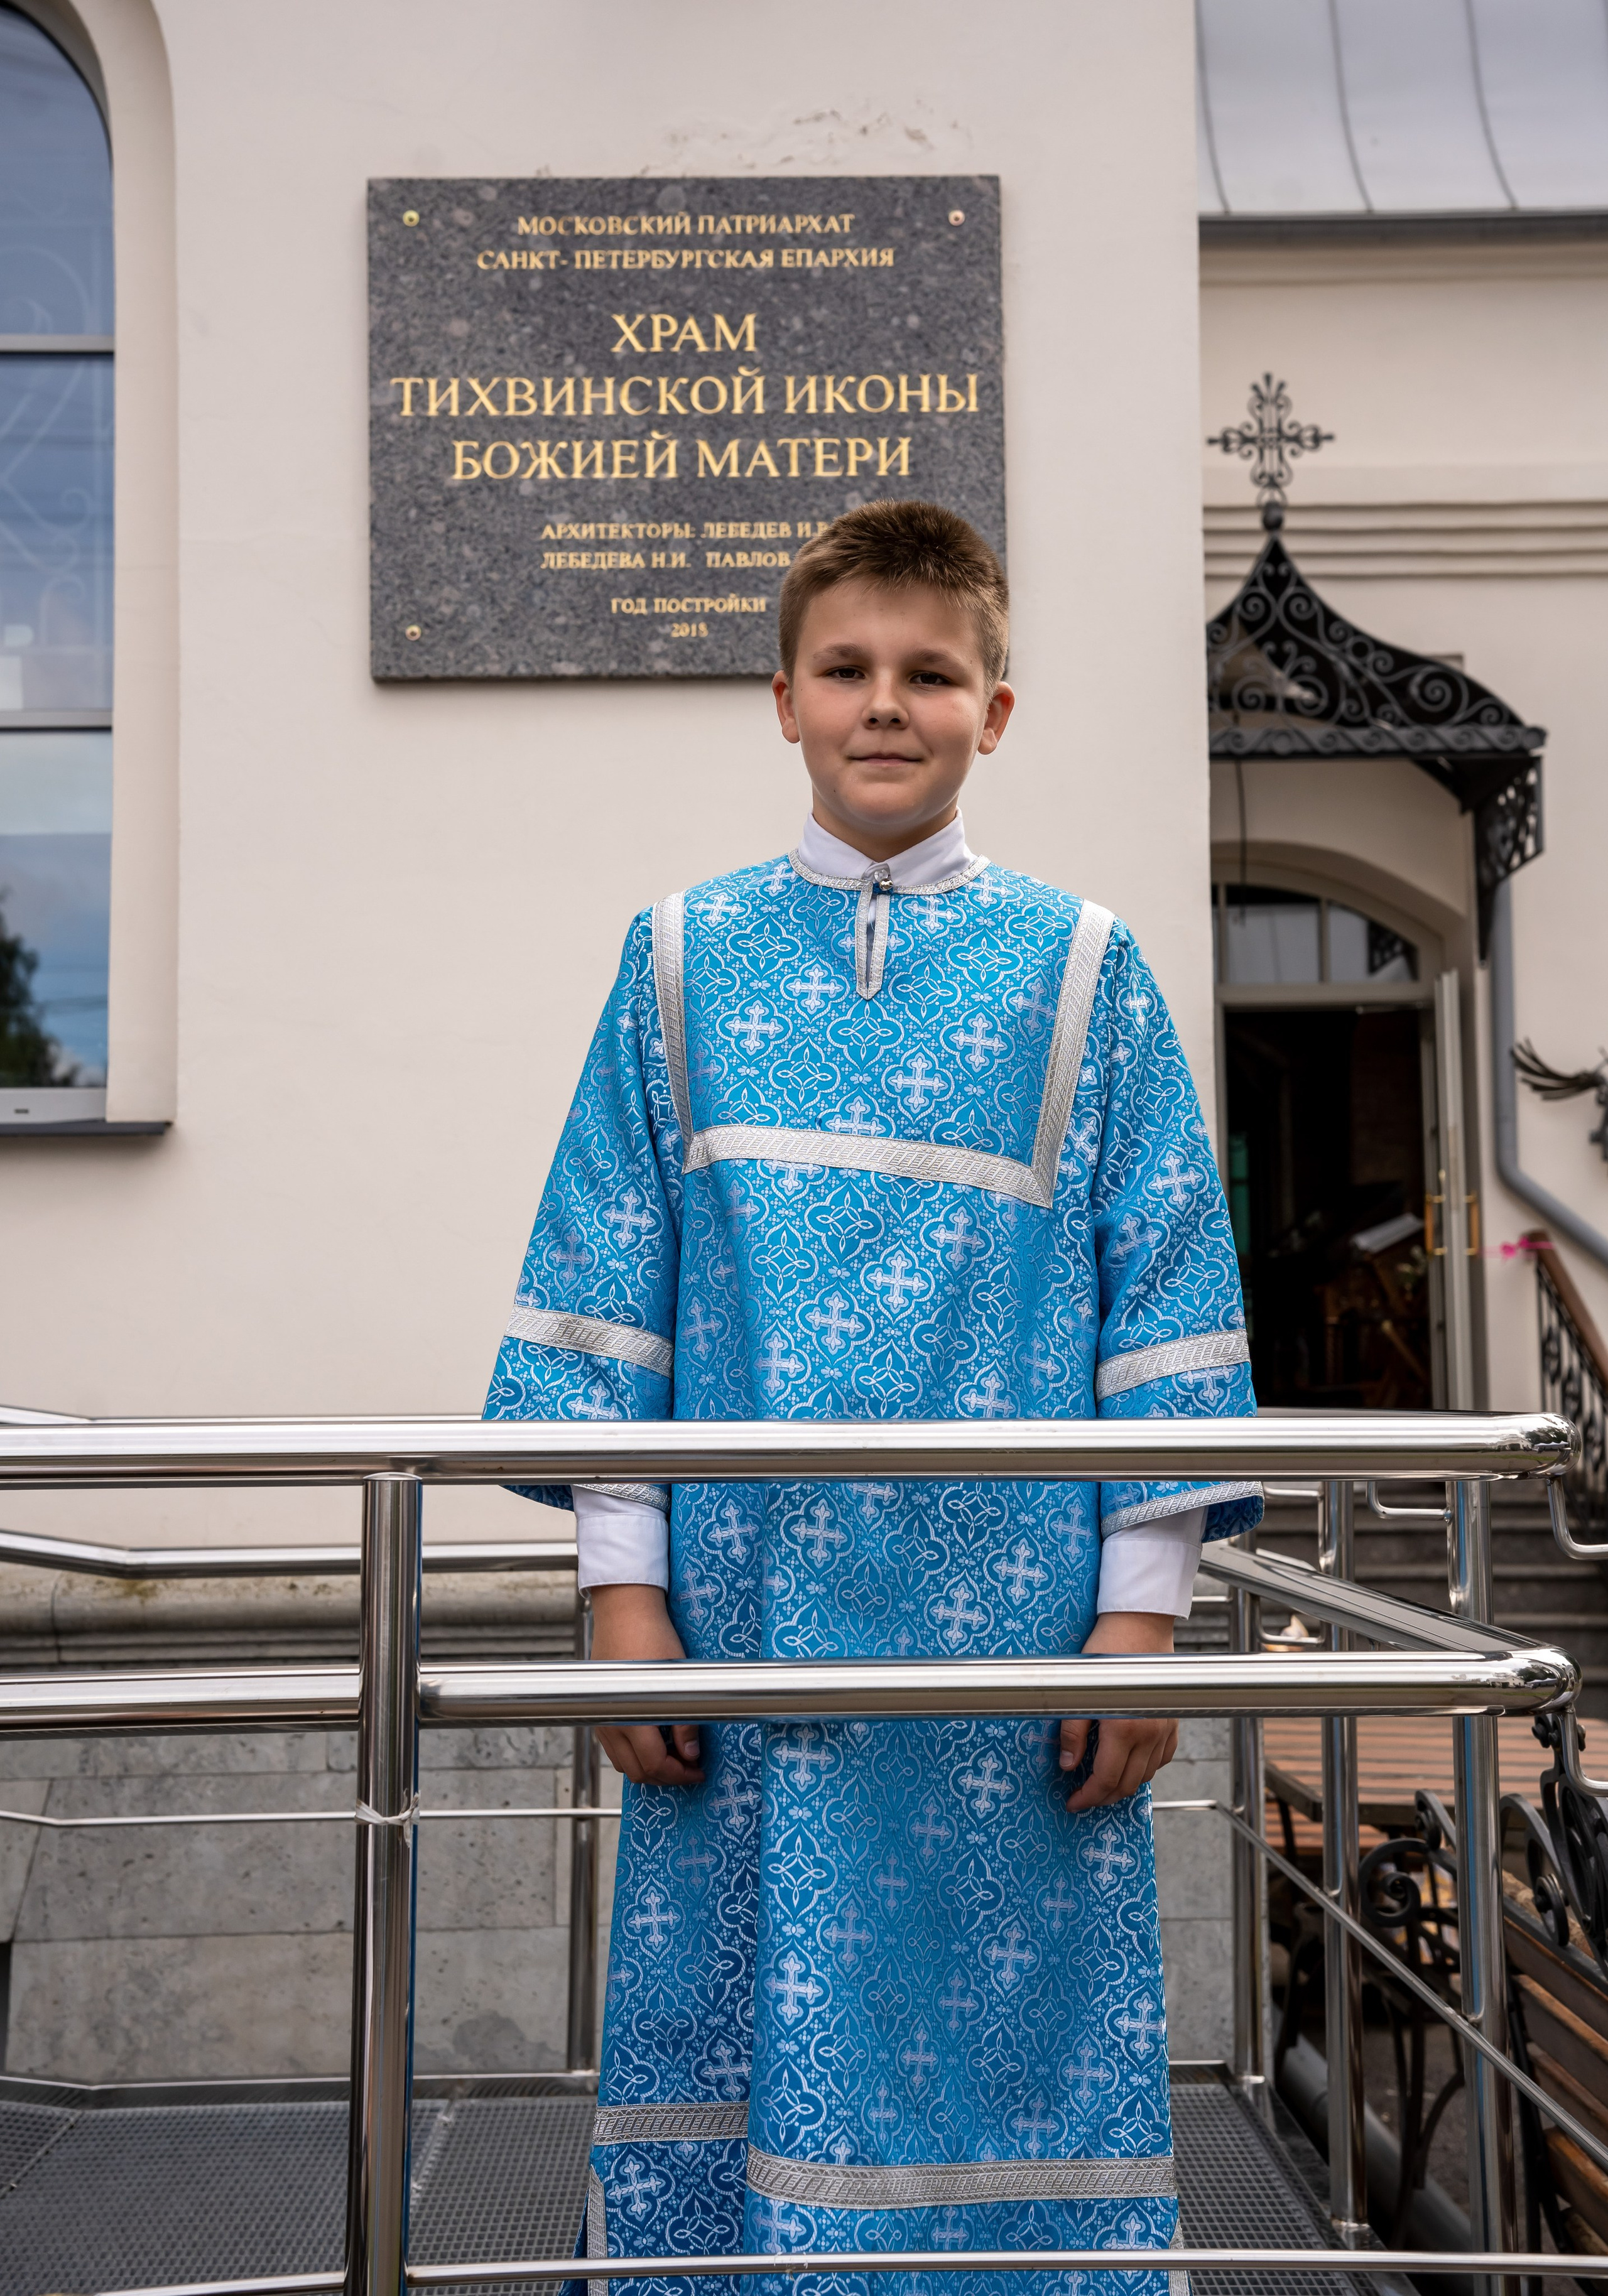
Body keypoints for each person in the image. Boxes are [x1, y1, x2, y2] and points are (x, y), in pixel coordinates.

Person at [484, 500, 1259, 2296]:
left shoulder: (1087, 970)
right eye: (849, 670)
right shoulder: (677, 957)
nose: (886, 705)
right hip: (739, 1644)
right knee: (729, 2054)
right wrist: (621, 1602)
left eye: (931, 672)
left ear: (1001, 708)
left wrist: (1144, 1626)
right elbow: (617, 1297)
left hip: (1014, 1661)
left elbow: (1164, 1306)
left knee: (1010, 2080)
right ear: (783, 699)